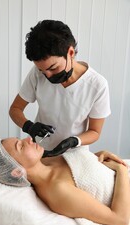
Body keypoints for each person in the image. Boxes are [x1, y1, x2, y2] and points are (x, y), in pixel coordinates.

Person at [0, 137, 130, 225]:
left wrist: (99, 156)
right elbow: (120, 219)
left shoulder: (47, 161)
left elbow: (84, 172)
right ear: (16, 172)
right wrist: (121, 170)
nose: (29, 139)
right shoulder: (57, 191)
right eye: (21, 146)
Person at [9, 19, 111, 153]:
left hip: (74, 154)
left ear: (70, 53)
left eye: (53, 68)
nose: (48, 76)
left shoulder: (97, 85)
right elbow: (15, 109)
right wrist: (29, 126)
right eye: (42, 71)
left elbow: (95, 131)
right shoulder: (37, 74)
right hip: (39, 150)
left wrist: (73, 141)